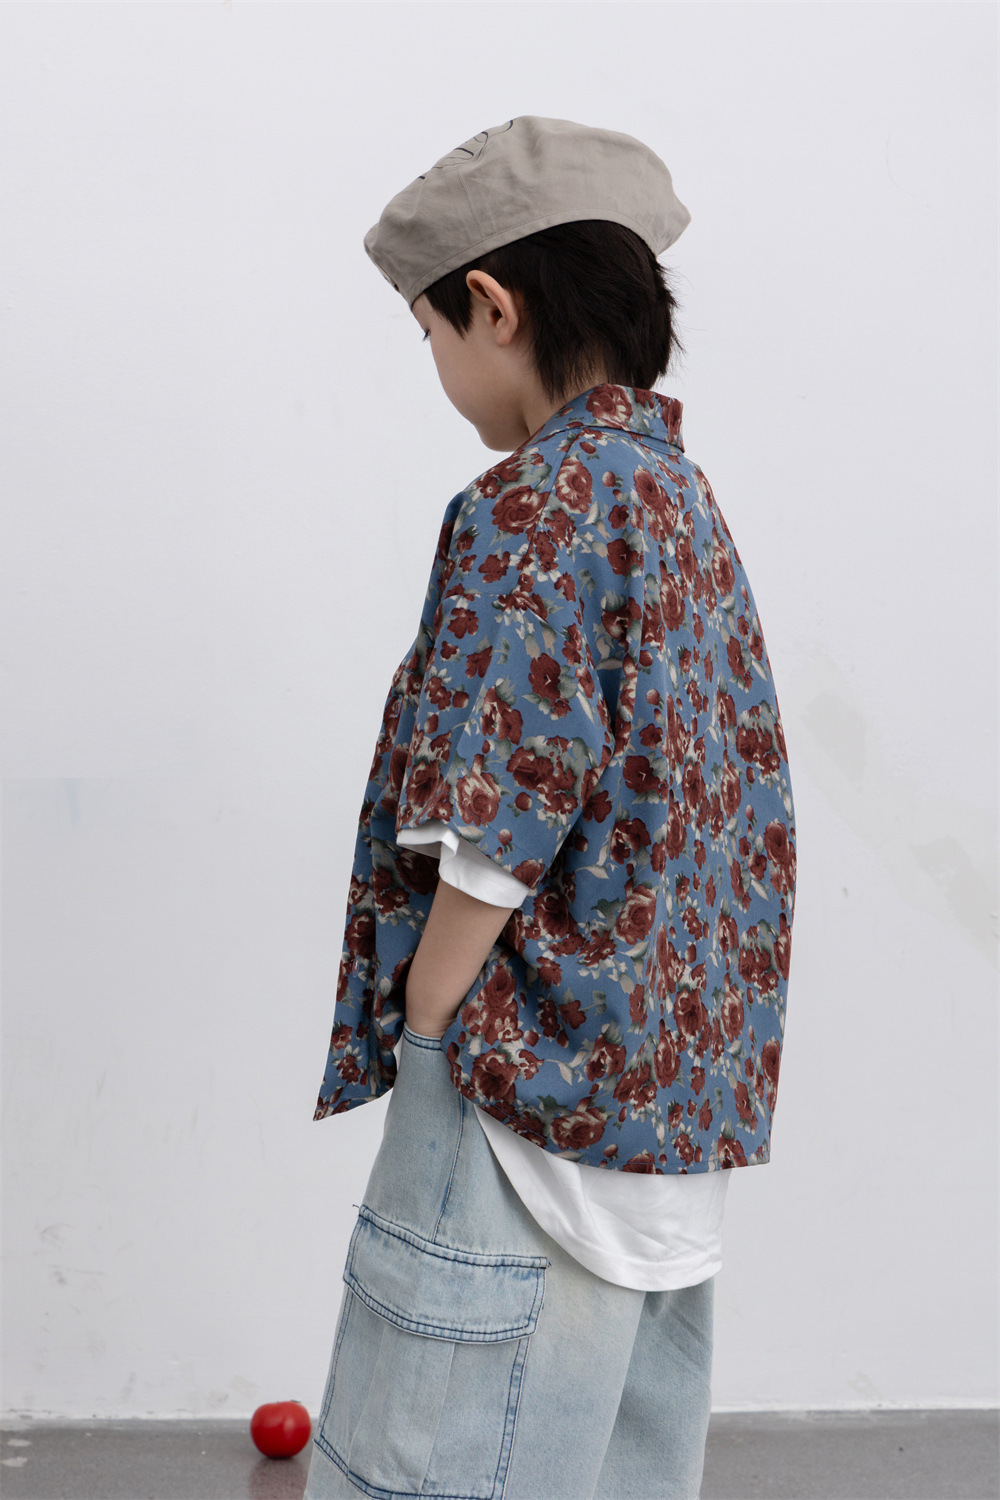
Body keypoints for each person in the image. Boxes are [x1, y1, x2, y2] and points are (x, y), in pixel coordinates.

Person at [303, 116, 797, 1500]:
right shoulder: (682, 502)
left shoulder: (537, 505)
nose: (438, 367)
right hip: (670, 1123)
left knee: (423, 1464)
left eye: (431, 333)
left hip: (520, 1098)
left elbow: (500, 806)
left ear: (494, 305)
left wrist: (430, 1022)